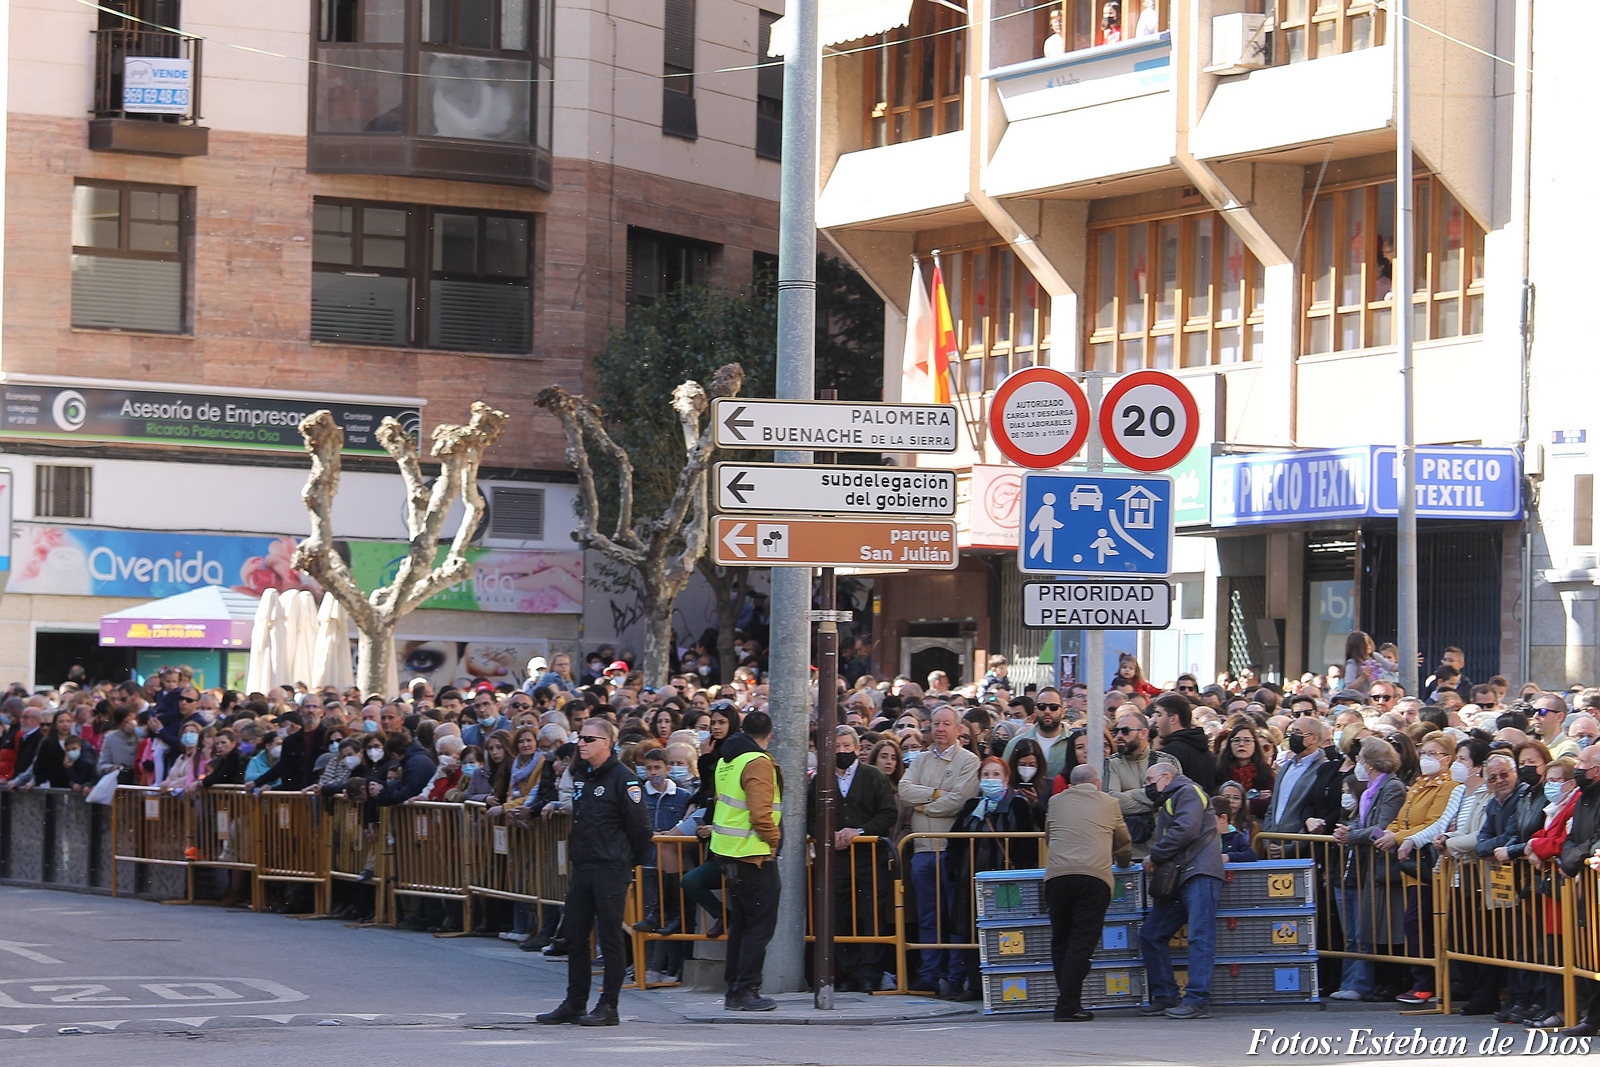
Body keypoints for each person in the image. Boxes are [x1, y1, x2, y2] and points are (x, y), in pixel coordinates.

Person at [536, 718, 651, 1027]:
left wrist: (628, 861)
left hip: (611, 867)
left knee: (610, 938)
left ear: (606, 744)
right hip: (584, 865)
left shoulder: (623, 780)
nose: (581, 744)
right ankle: (575, 1002)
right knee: (573, 935)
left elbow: (640, 828)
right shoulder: (581, 775)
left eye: (588, 739)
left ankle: (608, 1005)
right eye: (580, 738)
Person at [807, 726, 898, 993]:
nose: (842, 751)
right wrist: (827, 834)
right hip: (835, 861)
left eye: (847, 746)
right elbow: (811, 817)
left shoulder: (874, 777)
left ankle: (869, 972)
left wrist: (859, 832)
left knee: (870, 914)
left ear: (858, 748)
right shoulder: (820, 780)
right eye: (836, 747)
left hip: (868, 858)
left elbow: (887, 814)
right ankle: (847, 971)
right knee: (839, 915)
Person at [1045, 763, 1132, 1022]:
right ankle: (1067, 1006)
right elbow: (1123, 841)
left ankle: (1068, 1002)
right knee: (1081, 944)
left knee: (1061, 941)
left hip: (1057, 878)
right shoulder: (1109, 802)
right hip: (1094, 878)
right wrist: (1124, 862)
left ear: (1071, 784)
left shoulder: (1055, 802)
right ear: (1097, 782)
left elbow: (1050, 837)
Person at [710, 710, 784, 1012]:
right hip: (752, 853)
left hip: (727, 852)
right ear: (771, 735)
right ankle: (746, 990)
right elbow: (759, 812)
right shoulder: (758, 762)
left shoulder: (726, 760)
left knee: (741, 923)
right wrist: (774, 840)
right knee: (760, 925)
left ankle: (734, 988)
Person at [1138, 758, 1223, 1019]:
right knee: (1153, 933)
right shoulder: (1178, 796)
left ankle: (1196, 999)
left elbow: (1186, 830)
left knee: (1199, 936)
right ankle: (1167, 997)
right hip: (1187, 873)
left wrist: (1155, 855)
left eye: (1150, 781)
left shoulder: (1187, 792)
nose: (1147, 787)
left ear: (1166, 777)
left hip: (1197, 873)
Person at [1103, 708, 1178, 860]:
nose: (1118, 736)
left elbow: (1176, 799)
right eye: (1116, 731)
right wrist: (1156, 800)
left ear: (1143, 733)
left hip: (1162, 850)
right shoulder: (1111, 763)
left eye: (1125, 731)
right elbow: (1112, 802)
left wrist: (1131, 793)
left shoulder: (1167, 762)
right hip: (1126, 853)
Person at [1002, 686, 1071, 783]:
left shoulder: (1074, 743)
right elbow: (1004, 777)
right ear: (1035, 710)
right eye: (1042, 707)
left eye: (1053, 707)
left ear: (1062, 712)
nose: (1047, 711)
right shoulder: (1016, 743)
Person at [1149, 694, 1215, 793]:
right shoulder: (1203, 748)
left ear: (1173, 718)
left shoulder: (1171, 751)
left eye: (1159, 715)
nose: (1155, 720)